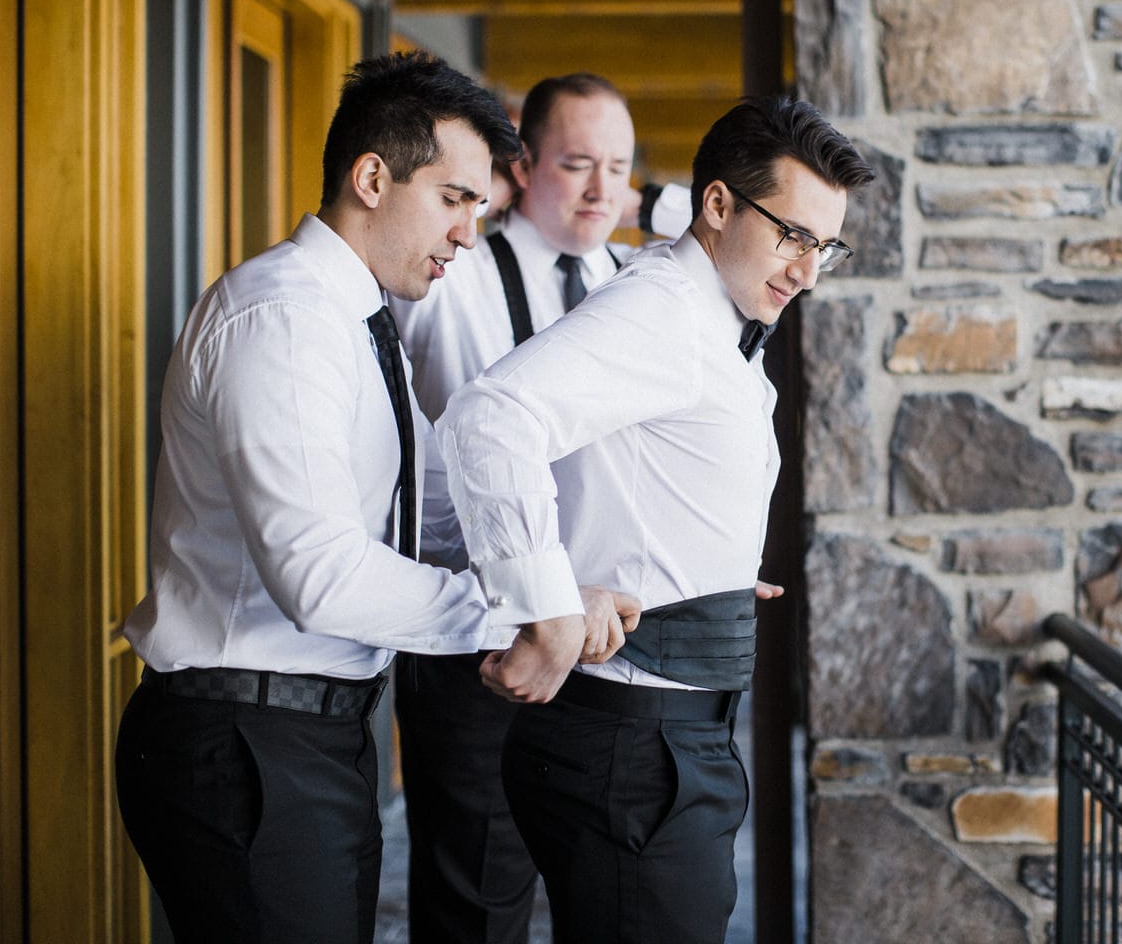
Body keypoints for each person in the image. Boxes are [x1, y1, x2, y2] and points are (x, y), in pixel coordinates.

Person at [114, 50, 635, 944]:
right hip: (244, 740)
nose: (469, 232)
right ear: (370, 177)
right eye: (453, 199)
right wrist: (518, 614)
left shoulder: (358, 323)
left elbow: (433, 508)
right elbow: (319, 577)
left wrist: (569, 586)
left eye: (477, 206)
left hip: (313, 733)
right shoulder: (281, 321)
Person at [439, 96, 874, 944]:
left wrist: (703, 565)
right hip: (635, 752)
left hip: (664, 740)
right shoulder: (665, 312)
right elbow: (491, 419)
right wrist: (548, 605)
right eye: (793, 235)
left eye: (825, 246)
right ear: (717, 205)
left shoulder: (710, 311)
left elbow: (628, 471)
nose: (808, 270)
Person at [389, 71, 692, 944]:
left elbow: (731, 232)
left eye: (621, 168)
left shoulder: (642, 283)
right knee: (478, 894)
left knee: (611, 893)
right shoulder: (453, 272)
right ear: (521, 164)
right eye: (576, 163)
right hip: (486, 634)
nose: (604, 190)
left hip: (610, 643)